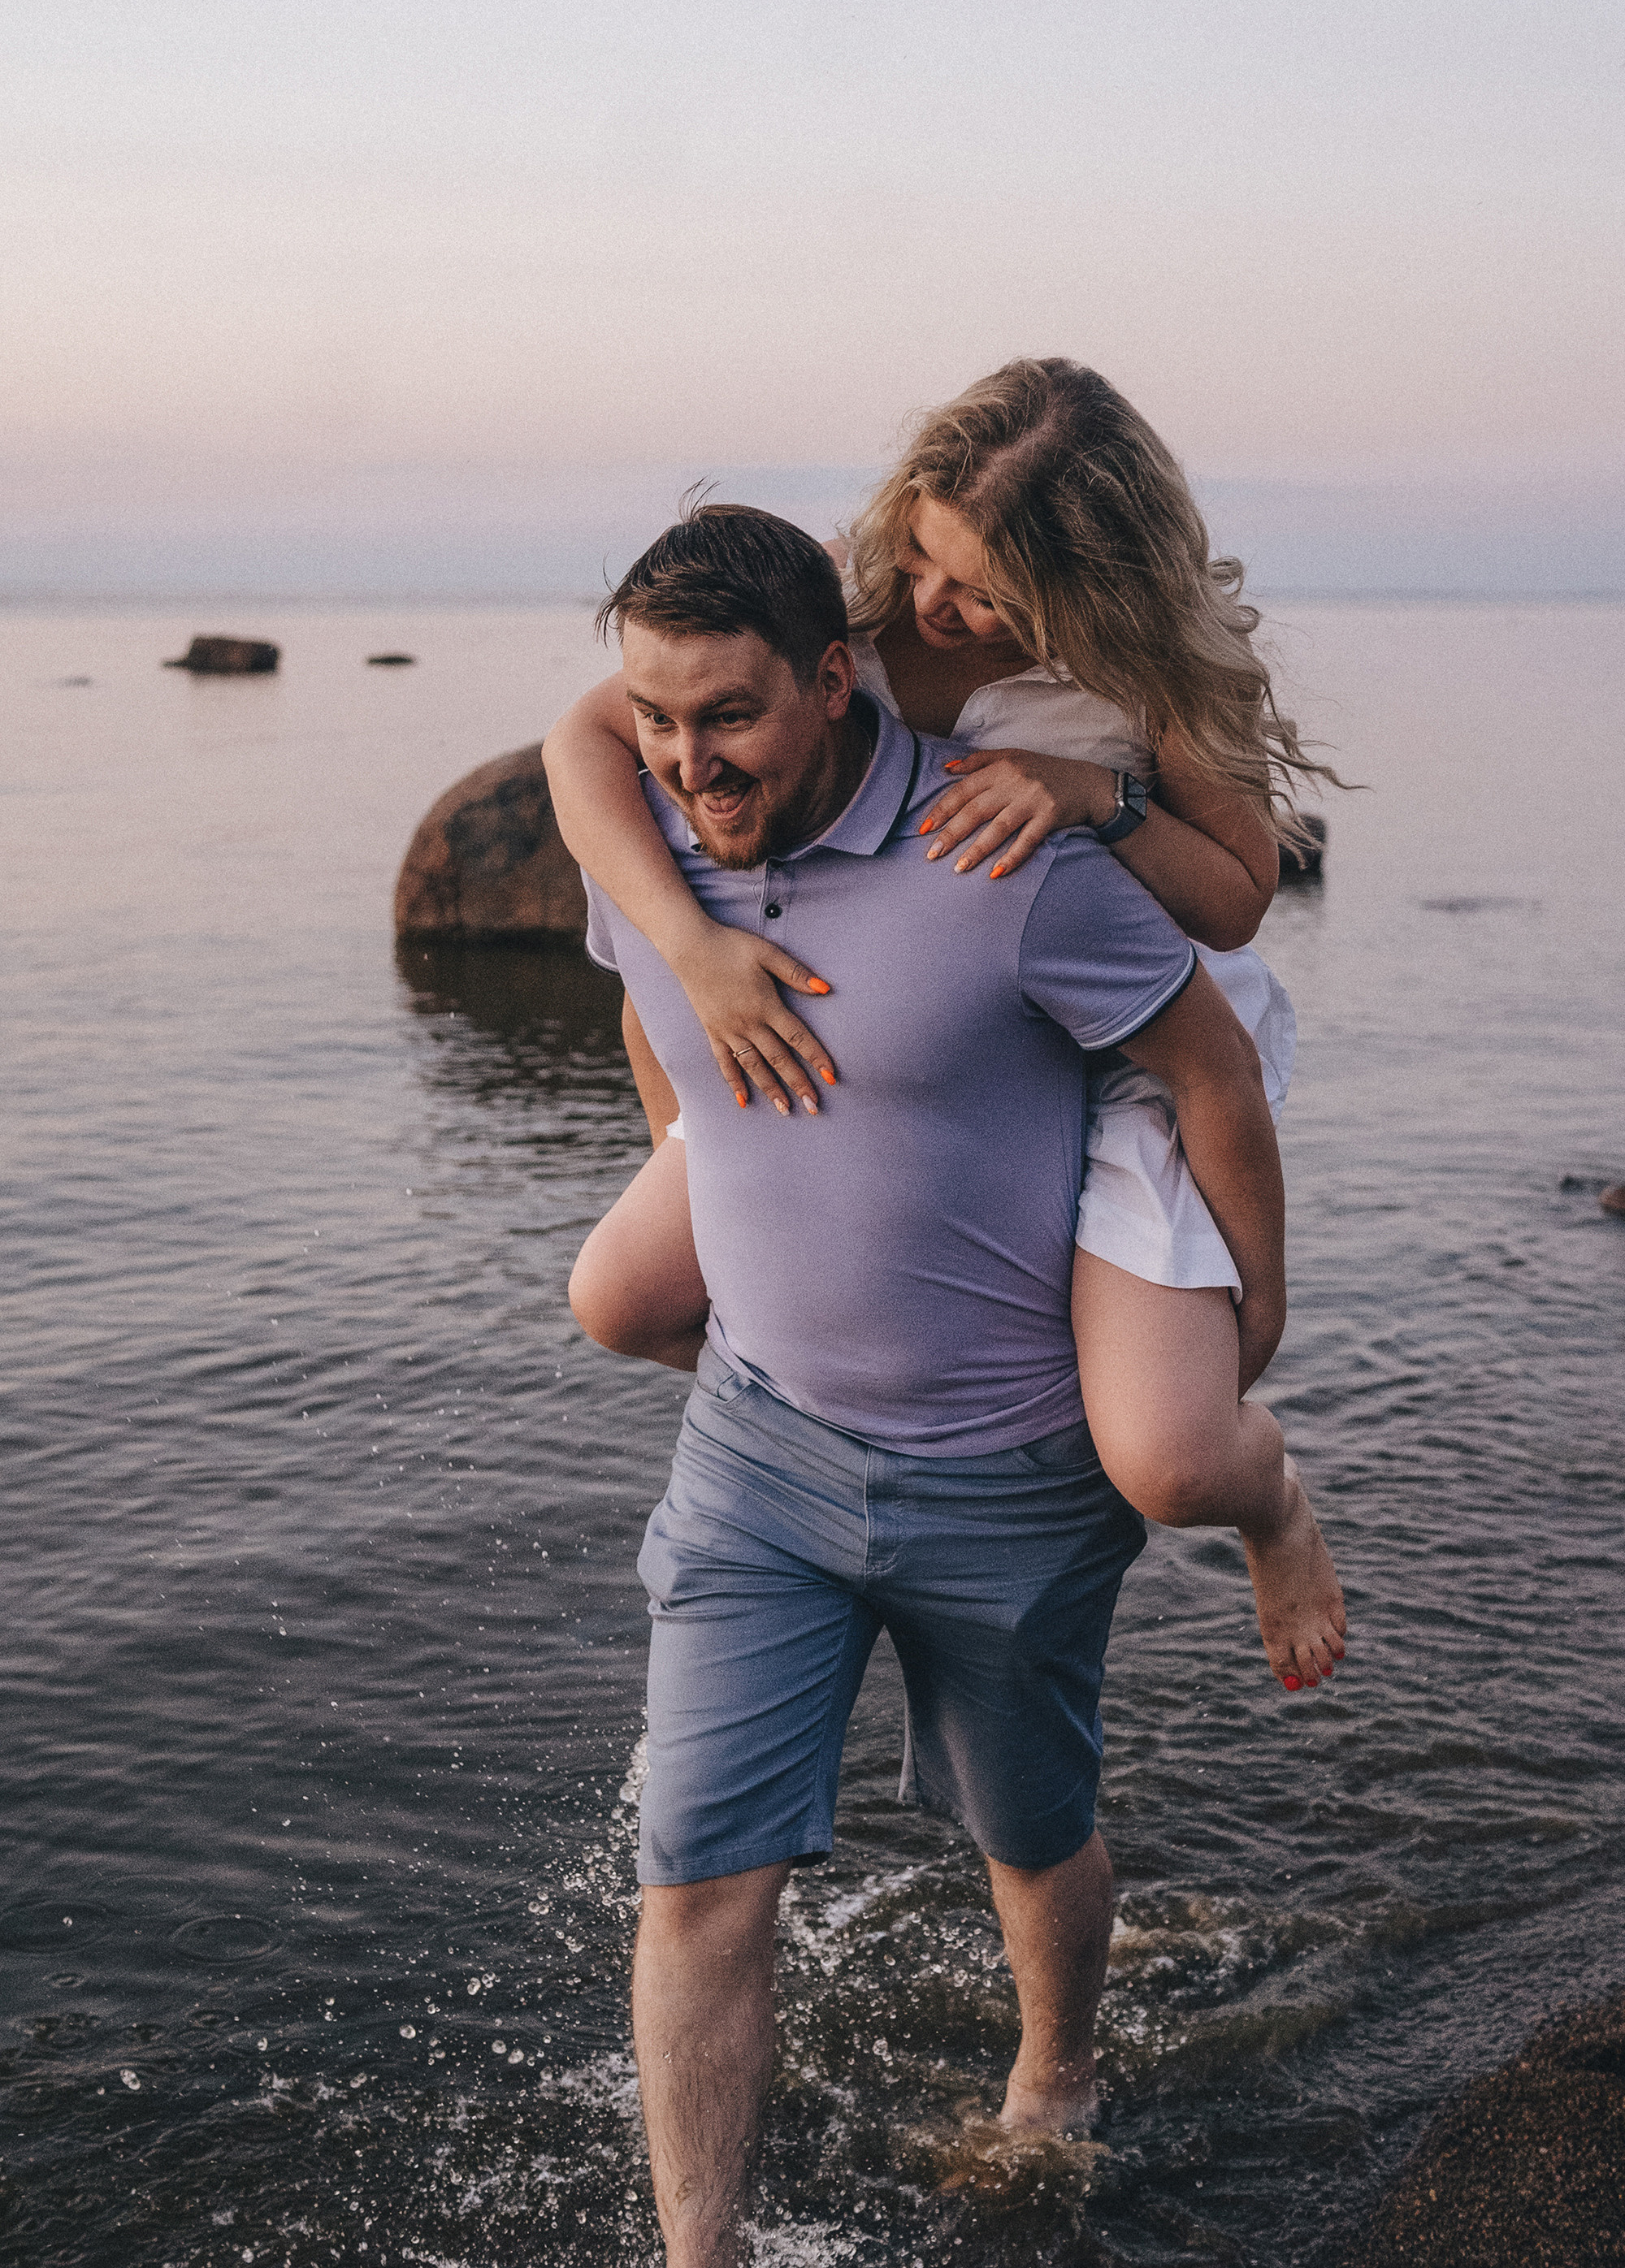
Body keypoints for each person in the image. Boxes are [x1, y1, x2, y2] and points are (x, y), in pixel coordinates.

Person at [571, 502, 1289, 2268]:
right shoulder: (643, 847)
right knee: (698, 1879)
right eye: (656, 720)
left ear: (832, 680)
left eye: (724, 716)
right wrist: (703, 1155)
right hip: (759, 1455)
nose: (685, 758)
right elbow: (646, 1007)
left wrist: (1252, 1318)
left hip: (1013, 1478)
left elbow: (1204, 1062)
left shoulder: (1005, 856)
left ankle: (1052, 2063)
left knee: (1027, 1832)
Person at [547, 358, 1346, 1693]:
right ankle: (859, 1452)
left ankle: (1273, 1507)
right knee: (619, 1298)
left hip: (1118, 1045)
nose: (932, 604)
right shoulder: (841, 602)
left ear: (1091, 585)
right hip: (900, 1022)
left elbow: (1241, 899)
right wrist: (694, 953)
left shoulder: (1144, 670)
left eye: (984, 590)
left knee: (1169, 1459)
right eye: (923, 552)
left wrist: (1092, 793)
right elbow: (585, 749)